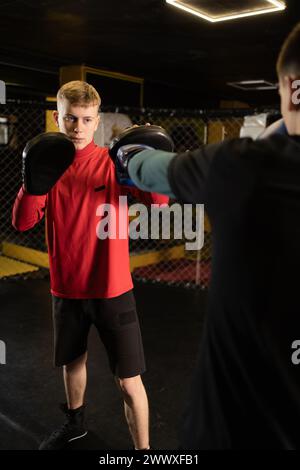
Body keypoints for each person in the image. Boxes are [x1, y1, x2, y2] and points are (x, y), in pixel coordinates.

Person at [111, 23, 300, 449]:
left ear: (291, 86)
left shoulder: (240, 166)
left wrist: (126, 150)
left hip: (232, 428)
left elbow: (147, 167)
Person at [12, 80, 168, 450]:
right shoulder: (47, 164)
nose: (77, 128)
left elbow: (159, 205)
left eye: (85, 120)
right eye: (69, 119)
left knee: (129, 380)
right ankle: (75, 423)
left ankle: (143, 453)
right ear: (57, 118)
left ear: (97, 120)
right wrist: (32, 184)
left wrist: (150, 165)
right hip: (66, 288)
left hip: (112, 289)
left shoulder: (113, 163)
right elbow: (22, 222)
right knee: (72, 362)